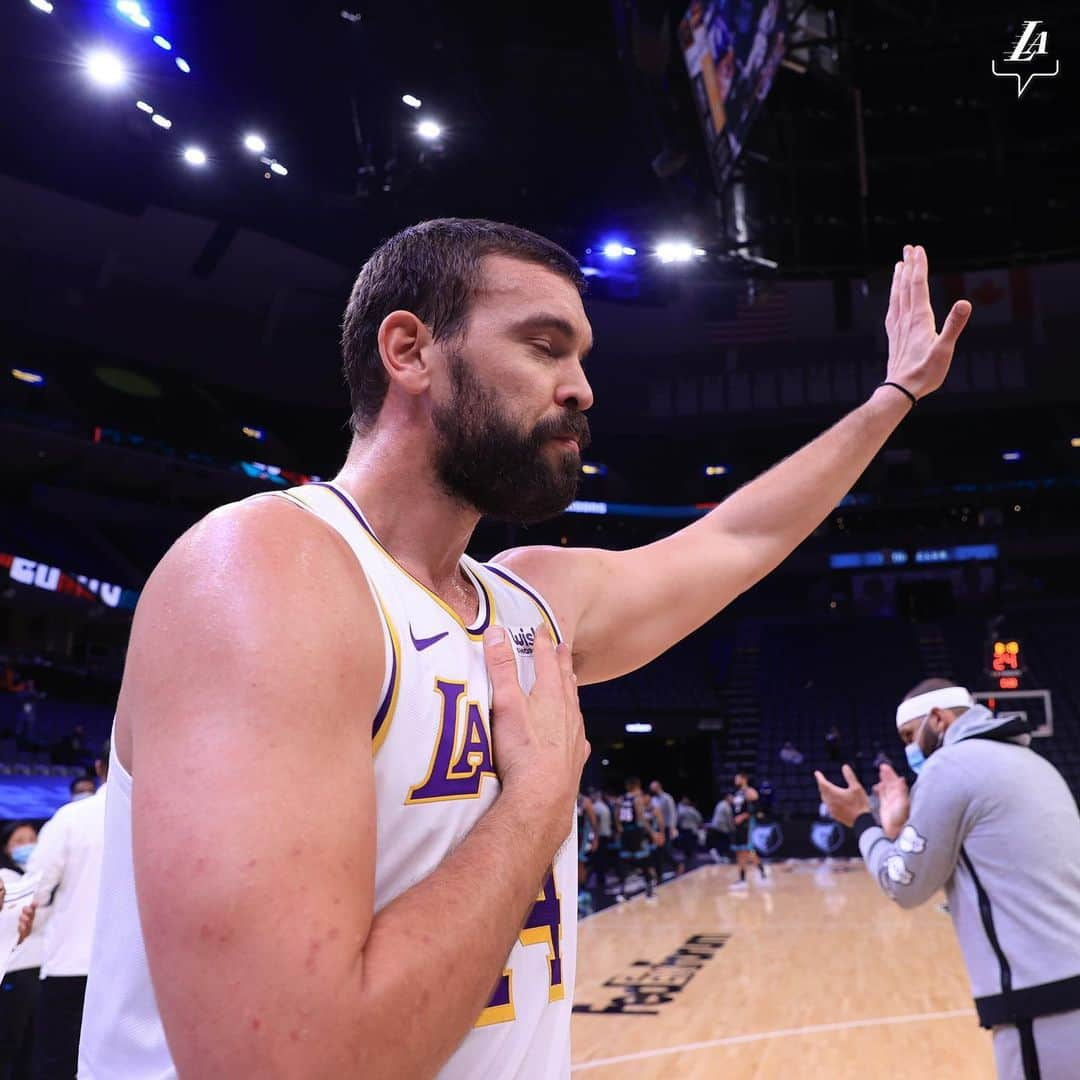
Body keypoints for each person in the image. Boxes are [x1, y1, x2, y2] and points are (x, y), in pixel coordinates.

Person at [78, 223, 969, 1078]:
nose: (581, 388)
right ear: (410, 351)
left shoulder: (530, 603)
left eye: (583, 359)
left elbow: (741, 538)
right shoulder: (266, 570)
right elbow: (287, 1062)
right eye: (545, 347)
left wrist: (894, 398)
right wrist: (539, 800)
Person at [816, 679, 1080, 1080]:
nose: (909, 749)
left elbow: (902, 884)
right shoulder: (1033, 763)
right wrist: (899, 828)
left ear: (938, 719)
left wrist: (861, 821)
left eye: (909, 735)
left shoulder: (950, 765)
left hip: (1041, 1002)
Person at [27, 742, 108, 1080]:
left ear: (100, 766)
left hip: (72, 967)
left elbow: (34, 890)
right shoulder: (168, 821)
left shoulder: (73, 817)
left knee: (57, 1067)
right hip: (138, 977)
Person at [0, 822, 48, 1080]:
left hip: (39, 970)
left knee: (31, 1045)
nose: (28, 844)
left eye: (32, 838)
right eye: (19, 840)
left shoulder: (33, 875)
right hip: (15, 972)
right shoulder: (7, 878)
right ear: (6, 847)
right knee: (11, 1043)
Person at [729, 772, 767, 889]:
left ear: (744, 779)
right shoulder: (737, 793)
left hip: (747, 825)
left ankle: (761, 872)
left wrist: (743, 816)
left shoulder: (750, 792)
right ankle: (742, 879)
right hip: (737, 826)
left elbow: (757, 810)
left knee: (747, 851)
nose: (735, 780)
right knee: (739, 852)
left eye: (737, 778)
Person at [649, 780, 678, 878]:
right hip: (656, 827)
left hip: (666, 827)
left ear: (659, 787)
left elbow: (672, 813)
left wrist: (672, 827)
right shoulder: (653, 799)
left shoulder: (667, 798)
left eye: (653, 788)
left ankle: (676, 865)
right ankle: (660, 872)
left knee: (665, 849)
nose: (652, 790)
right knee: (658, 851)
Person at [675, 796, 703, 873]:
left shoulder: (682, 810)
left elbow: (677, 820)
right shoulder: (692, 810)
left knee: (689, 850)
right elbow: (699, 819)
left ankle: (691, 865)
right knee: (690, 850)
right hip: (689, 831)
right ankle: (691, 864)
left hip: (688, 831)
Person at [707, 793, 734, 862]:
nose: (732, 799)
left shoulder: (720, 804)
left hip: (715, 827)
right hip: (721, 828)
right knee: (725, 842)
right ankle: (723, 857)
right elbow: (729, 820)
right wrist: (732, 829)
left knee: (718, 842)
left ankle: (717, 855)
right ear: (727, 797)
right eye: (731, 797)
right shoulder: (727, 806)